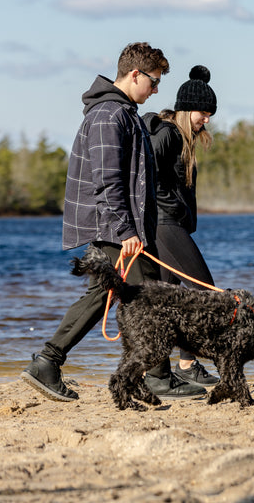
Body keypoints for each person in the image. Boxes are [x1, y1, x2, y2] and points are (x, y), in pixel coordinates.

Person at [21, 42, 205, 402]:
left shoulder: (121, 113)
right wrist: (126, 232)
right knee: (149, 296)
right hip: (112, 225)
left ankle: (47, 362)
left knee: (102, 293)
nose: (155, 91)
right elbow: (108, 181)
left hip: (115, 224)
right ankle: (158, 377)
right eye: (153, 82)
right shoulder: (109, 115)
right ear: (134, 74)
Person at [141, 65, 220, 391]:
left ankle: (169, 370)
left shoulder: (183, 137)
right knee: (209, 295)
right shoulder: (169, 134)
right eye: (204, 112)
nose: (207, 119)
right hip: (164, 224)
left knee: (168, 300)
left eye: (210, 113)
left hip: (171, 224)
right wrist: (170, 208)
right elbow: (148, 172)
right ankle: (182, 365)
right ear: (187, 108)